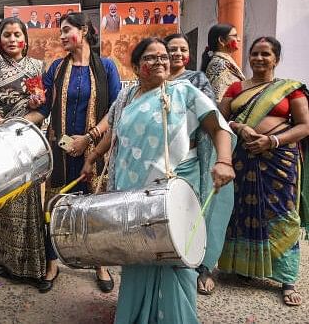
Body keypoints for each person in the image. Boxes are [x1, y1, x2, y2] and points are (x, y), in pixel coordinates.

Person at [83, 37, 235, 324]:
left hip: (172, 188)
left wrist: (224, 161)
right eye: (151, 58)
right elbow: (113, 133)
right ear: (138, 66)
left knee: (174, 255)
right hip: (133, 191)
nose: (161, 61)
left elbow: (219, 126)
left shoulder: (184, 92)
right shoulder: (127, 96)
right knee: (137, 254)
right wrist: (92, 158)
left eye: (163, 56)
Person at [25, 12, 121, 293]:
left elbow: (115, 111)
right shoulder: (55, 68)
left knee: (95, 211)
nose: (62, 36)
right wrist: (16, 122)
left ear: (84, 30)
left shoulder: (106, 67)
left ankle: (99, 263)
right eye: (60, 32)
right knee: (55, 207)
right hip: (60, 150)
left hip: (96, 149)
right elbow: (42, 109)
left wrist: (89, 138)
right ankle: (52, 262)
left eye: (67, 30)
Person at [218, 37, 309, 307]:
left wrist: (272, 141)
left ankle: (287, 279)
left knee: (281, 214)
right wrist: (240, 127)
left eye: (266, 54)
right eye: (255, 53)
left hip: (278, 161)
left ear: (276, 59)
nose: (259, 58)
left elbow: (304, 126)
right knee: (240, 212)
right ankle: (245, 269)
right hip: (242, 158)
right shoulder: (236, 87)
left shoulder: (290, 89)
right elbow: (219, 118)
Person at [0, 17, 46, 287]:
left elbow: (44, 107)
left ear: (25, 38)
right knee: (5, 204)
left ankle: (33, 264)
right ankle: (6, 261)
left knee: (31, 203)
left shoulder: (37, 66)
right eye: (7, 35)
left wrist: (29, 118)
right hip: (0, 147)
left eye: (18, 34)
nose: (13, 39)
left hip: (28, 143)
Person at [166, 33, 234, 295]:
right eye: (172, 49)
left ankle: (200, 268)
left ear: (189, 55)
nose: (177, 54)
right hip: (161, 161)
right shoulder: (153, 83)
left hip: (191, 157)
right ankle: (170, 262)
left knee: (192, 214)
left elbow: (208, 116)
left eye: (182, 49)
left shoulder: (196, 79)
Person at [201, 23, 245, 102]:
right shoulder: (219, 64)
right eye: (234, 36)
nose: (239, 39)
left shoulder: (223, 61)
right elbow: (218, 99)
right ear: (221, 40)